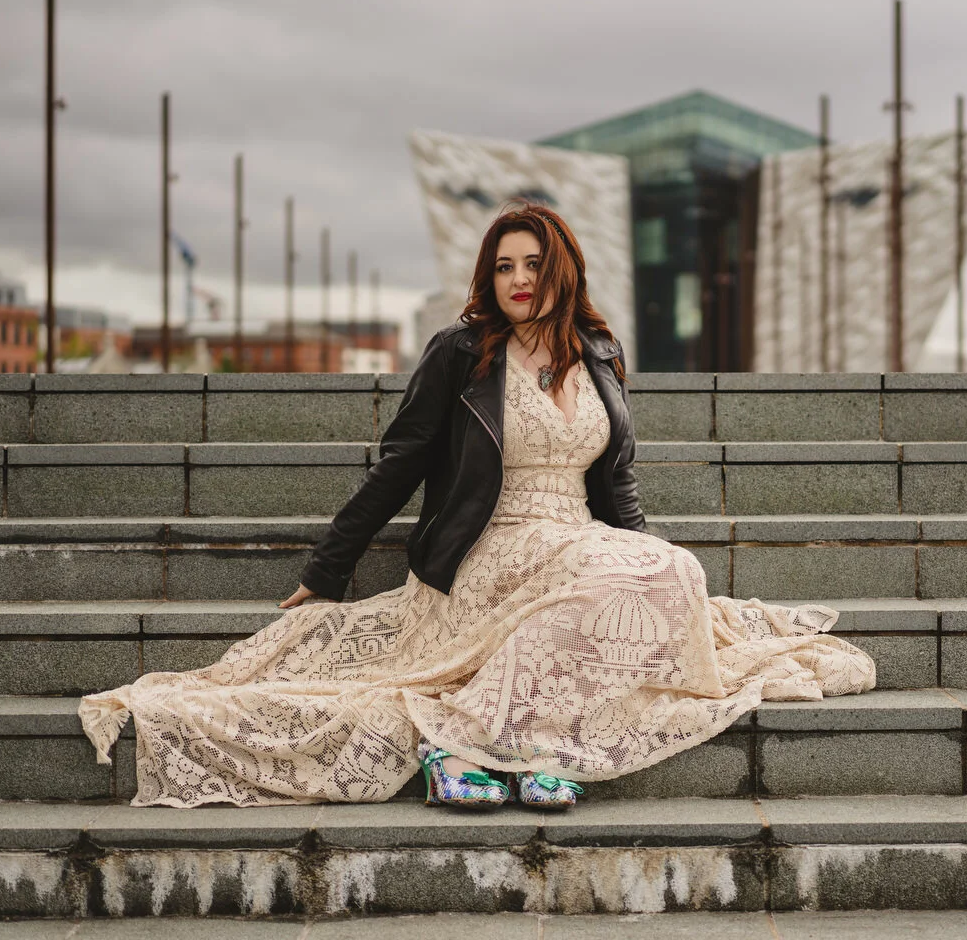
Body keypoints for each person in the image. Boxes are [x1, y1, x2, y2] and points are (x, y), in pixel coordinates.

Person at [79, 201, 875, 810]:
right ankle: (478, 747)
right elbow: (400, 465)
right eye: (504, 267)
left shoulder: (600, 354)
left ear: (563, 270)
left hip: (577, 536)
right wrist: (328, 571)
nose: (519, 279)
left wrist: (645, 559)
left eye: (532, 264)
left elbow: (617, 482)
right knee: (630, 583)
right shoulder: (462, 352)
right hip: (487, 548)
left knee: (671, 572)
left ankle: (512, 743)